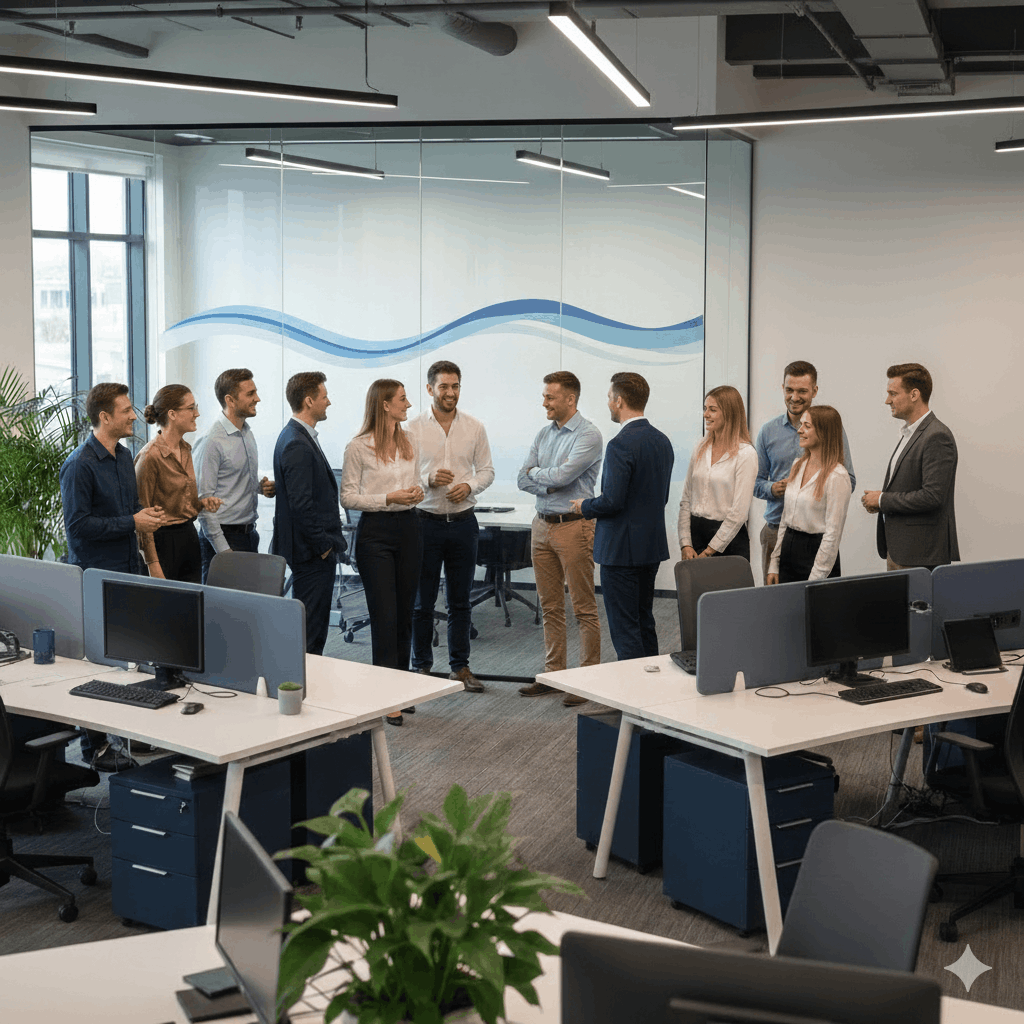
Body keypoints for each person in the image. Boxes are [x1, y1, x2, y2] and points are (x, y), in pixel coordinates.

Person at [59, 381, 165, 772]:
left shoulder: (123, 458)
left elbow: (131, 510)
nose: (134, 416)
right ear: (104, 417)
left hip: (128, 571)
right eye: (126, 411)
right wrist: (130, 521)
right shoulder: (79, 465)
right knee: (99, 664)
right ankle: (96, 747)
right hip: (96, 576)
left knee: (131, 659)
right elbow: (78, 527)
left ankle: (128, 734)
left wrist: (144, 518)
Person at [570, 372, 674, 662]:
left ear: (619, 400)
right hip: (650, 548)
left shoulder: (619, 444)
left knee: (625, 630)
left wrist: (584, 506)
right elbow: (661, 498)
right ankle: (651, 694)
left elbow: (612, 501)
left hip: (620, 552)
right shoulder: (662, 441)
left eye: (608, 398)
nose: (608, 403)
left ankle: (632, 702)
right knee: (644, 622)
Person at [340, 379, 424, 725]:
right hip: (375, 533)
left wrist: (415, 493)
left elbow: (415, 483)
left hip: (409, 527)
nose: (408, 404)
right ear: (385, 405)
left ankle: (401, 689)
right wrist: (388, 498)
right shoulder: (358, 447)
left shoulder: (409, 441)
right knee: (385, 616)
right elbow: (348, 497)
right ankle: (385, 696)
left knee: (405, 613)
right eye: (402, 399)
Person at [407, 360, 494, 694]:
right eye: (444, 386)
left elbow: (486, 470)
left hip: (462, 524)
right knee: (422, 602)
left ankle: (461, 667)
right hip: (424, 523)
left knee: (461, 601)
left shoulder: (474, 427)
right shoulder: (411, 429)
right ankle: (422, 668)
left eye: (455, 386)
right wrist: (427, 480)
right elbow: (401, 474)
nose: (450, 392)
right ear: (430, 389)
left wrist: (470, 486)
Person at [517, 370, 603, 705]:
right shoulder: (543, 433)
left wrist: (539, 475)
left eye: (550, 397)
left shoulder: (590, 435)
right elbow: (523, 479)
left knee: (583, 606)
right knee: (550, 606)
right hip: (541, 525)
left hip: (574, 526)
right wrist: (544, 478)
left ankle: (587, 679)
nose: (544, 402)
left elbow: (565, 476)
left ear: (570, 398)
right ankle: (553, 675)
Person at [754, 360, 856, 585]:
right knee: (777, 605)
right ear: (783, 388)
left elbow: (847, 482)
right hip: (778, 531)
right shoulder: (769, 433)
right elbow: (756, 482)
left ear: (814, 391)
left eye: (802, 391)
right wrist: (773, 489)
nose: (794, 396)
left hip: (814, 539)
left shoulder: (831, 430)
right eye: (789, 390)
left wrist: (814, 494)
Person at [270, 371, 346, 657]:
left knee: (311, 627)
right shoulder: (296, 443)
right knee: (311, 631)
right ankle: (302, 692)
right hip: (311, 553)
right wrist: (324, 546)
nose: (329, 402)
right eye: (324, 397)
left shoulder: (298, 436)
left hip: (309, 550)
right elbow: (302, 505)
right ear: (309, 400)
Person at [861, 362, 959, 570]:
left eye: (893, 394)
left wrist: (881, 499)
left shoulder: (937, 436)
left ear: (914, 395)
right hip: (900, 550)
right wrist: (881, 499)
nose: (887, 401)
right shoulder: (910, 434)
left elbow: (932, 497)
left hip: (920, 555)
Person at [193, 368, 275, 582]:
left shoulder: (247, 432)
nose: (257, 398)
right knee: (220, 612)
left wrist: (259, 487)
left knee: (247, 609)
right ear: (230, 400)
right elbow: (203, 503)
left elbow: (232, 478)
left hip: (249, 536)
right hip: (224, 540)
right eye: (250, 394)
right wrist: (224, 552)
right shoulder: (212, 441)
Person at [134, 385, 221, 584]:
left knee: (191, 608)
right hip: (162, 544)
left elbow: (180, 502)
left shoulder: (186, 449)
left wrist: (202, 503)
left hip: (188, 537)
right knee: (164, 610)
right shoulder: (150, 457)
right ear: (172, 414)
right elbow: (142, 520)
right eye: (191, 408)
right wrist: (152, 564)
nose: (197, 413)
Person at [766, 406, 851, 584]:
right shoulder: (798, 465)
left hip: (816, 555)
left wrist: (815, 580)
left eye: (807, 426)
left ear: (824, 432)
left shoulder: (838, 476)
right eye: (801, 425)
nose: (799, 430)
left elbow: (832, 535)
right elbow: (785, 518)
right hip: (789, 550)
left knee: (814, 610)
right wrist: (775, 563)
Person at [678, 385, 757, 562]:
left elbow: (739, 513)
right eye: (705, 409)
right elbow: (686, 500)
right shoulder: (700, 447)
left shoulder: (746, 454)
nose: (706, 414)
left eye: (712, 410)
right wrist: (685, 543)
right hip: (695, 537)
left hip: (729, 541)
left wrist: (709, 551)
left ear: (729, 413)